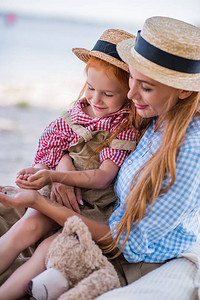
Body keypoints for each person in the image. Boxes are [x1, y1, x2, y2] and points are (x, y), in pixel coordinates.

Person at [0, 15, 200, 299]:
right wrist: (63, 164)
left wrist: (39, 199)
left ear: (183, 89)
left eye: (146, 86)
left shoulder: (187, 152)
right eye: (131, 77)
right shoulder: (154, 115)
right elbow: (77, 139)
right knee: (23, 222)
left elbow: (124, 242)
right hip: (99, 213)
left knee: (45, 244)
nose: (130, 94)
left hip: (125, 247)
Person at [0, 28, 139, 281]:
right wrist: (40, 169)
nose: (96, 99)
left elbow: (103, 178)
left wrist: (55, 173)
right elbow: (50, 146)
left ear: (129, 94)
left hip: (90, 206)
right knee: (26, 227)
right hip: (54, 190)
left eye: (108, 94)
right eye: (90, 87)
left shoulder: (122, 127)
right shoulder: (76, 113)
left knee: (48, 249)